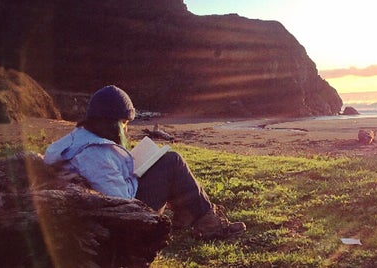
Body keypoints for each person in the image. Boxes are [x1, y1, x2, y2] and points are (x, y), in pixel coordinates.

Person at [43, 85, 245, 239]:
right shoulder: (95, 153)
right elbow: (122, 203)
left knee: (167, 162)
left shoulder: (77, 139)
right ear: (111, 122)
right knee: (172, 161)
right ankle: (209, 224)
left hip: (96, 211)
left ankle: (190, 215)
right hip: (122, 222)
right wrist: (135, 173)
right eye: (125, 123)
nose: (126, 130)